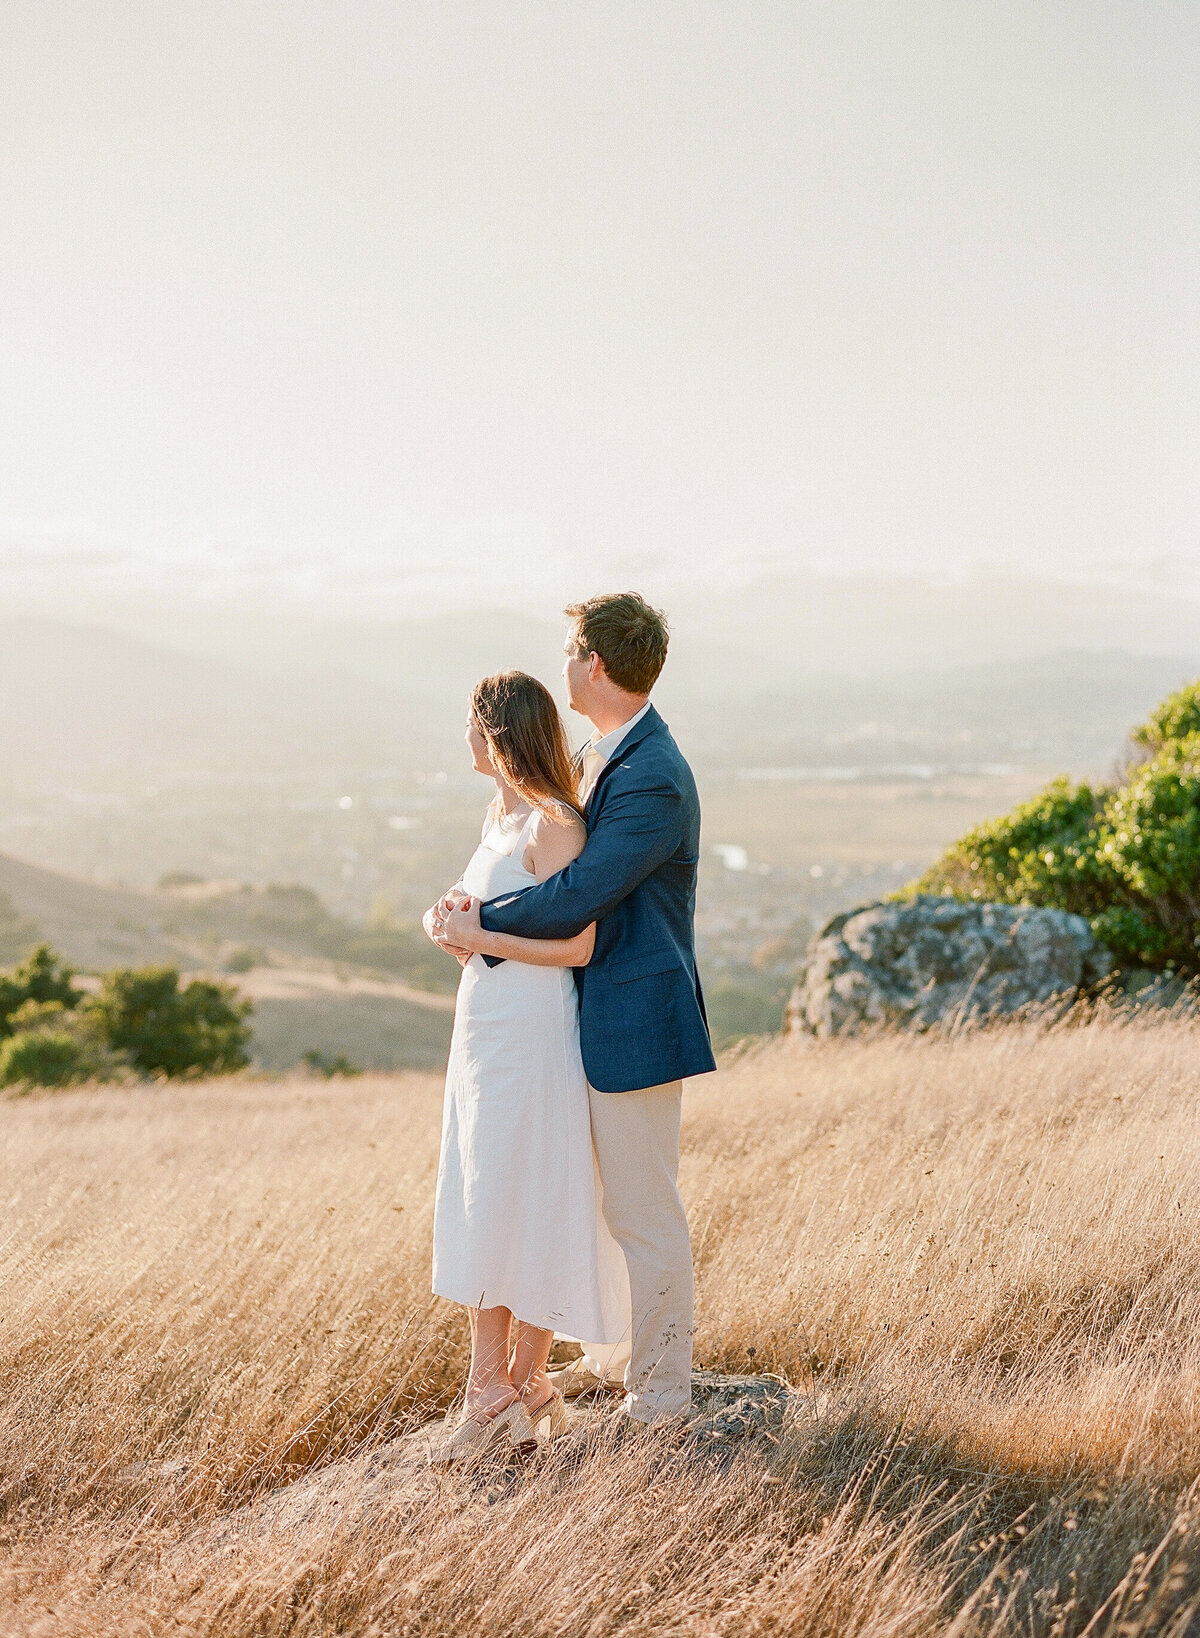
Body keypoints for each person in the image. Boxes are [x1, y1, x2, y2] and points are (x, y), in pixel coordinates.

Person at [437, 591, 716, 1429]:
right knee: (566, 1201)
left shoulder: (654, 776)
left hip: (633, 1025)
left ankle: (661, 1397)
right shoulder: (606, 755)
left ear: (593, 663)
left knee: (640, 1212)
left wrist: (477, 927)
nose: (562, 664)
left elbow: (580, 893)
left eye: (569, 650)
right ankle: (566, 1372)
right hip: (571, 1026)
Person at [423, 670, 628, 1465]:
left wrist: (485, 940)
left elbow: (579, 945)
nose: (464, 740)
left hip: (536, 1031)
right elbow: (489, 912)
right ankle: (520, 1386)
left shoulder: (555, 824)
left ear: (497, 734)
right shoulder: (499, 815)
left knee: (530, 1189)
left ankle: (498, 1387)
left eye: (471, 725)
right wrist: (449, 922)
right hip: (484, 1030)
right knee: (486, 1189)